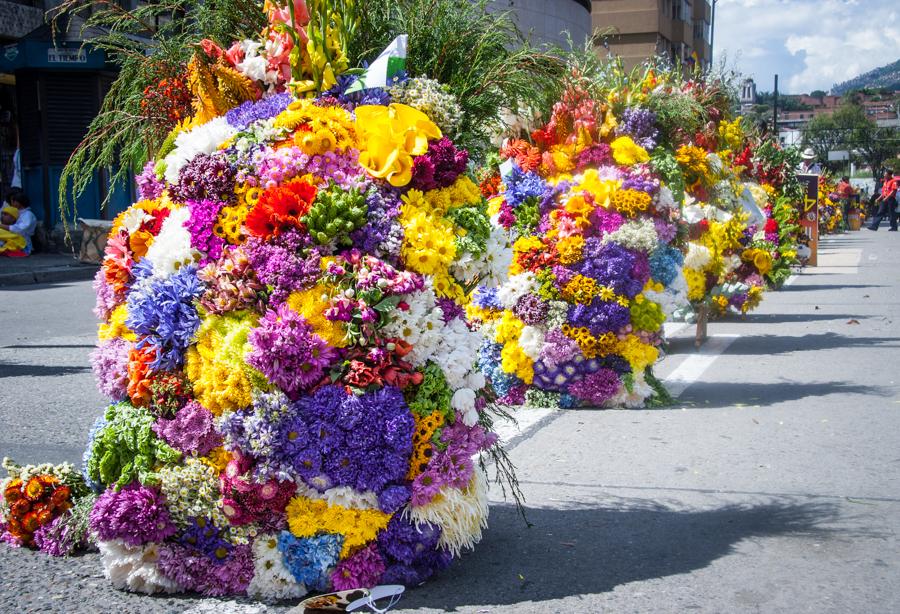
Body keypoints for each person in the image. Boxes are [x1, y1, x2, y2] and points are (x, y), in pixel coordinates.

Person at [0, 190, 37, 256]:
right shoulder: (17, 212)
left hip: (23, 243)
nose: (11, 203)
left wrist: (2, 226)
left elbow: (21, 229)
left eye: (13, 201)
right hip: (12, 238)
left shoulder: (28, 214)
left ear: (18, 203)